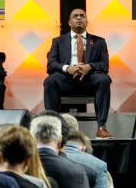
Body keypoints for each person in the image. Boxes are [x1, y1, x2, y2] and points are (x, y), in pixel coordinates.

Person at [43, 8, 114, 138]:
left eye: (82, 16)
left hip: (90, 79)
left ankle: (101, 127)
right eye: (75, 16)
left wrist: (90, 66)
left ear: (87, 21)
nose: (79, 18)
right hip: (66, 80)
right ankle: (53, 128)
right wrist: (67, 68)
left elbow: (104, 65)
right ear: (70, 22)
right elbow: (51, 64)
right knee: (50, 81)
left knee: (104, 79)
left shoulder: (99, 41)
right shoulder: (58, 41)